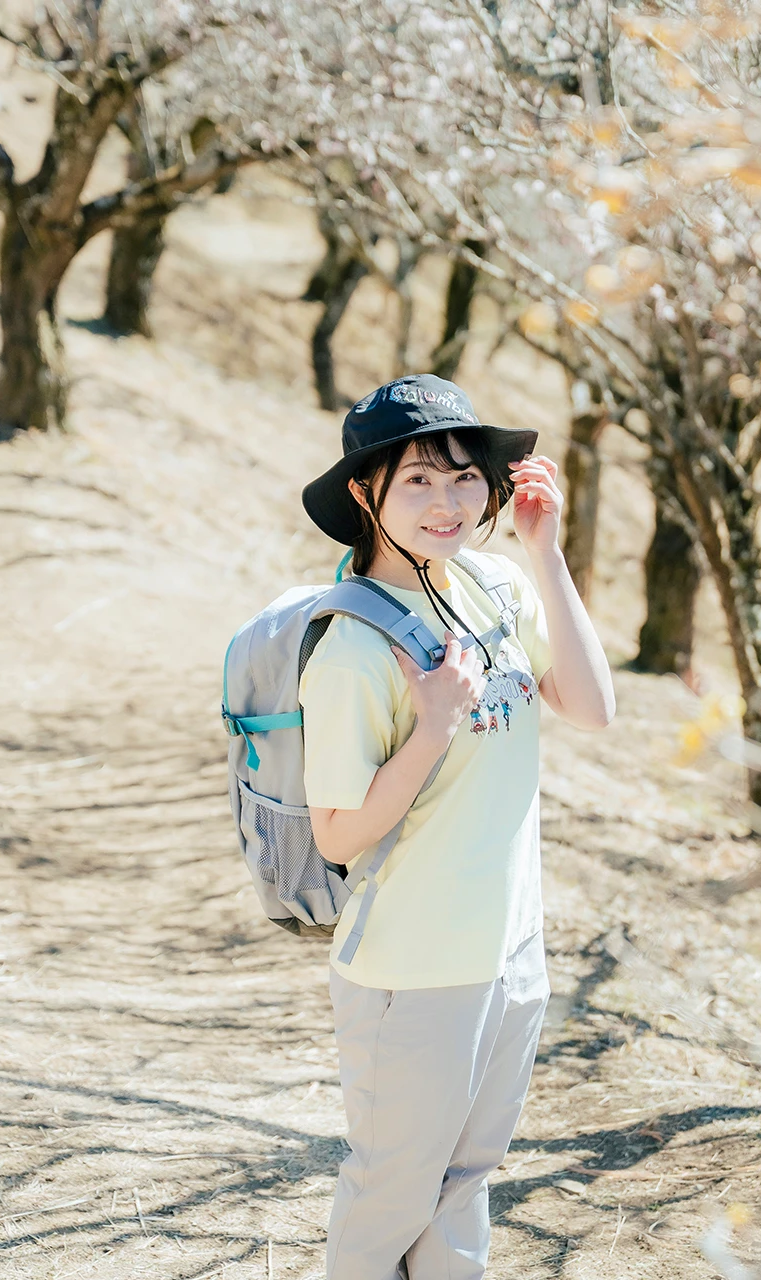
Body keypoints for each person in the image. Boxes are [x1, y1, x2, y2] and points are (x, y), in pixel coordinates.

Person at [297, 374, 615, 1280]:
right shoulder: (354, 647)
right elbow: (336, 836)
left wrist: (547, 555)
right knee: (394, 1192)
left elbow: (591, 708)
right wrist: (432, 727)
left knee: (467, 1181)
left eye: (465, 477)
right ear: (366, 494)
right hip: (414, 969)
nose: (448, 503)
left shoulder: (495, 586)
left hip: (511, 950)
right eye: (418, 482)